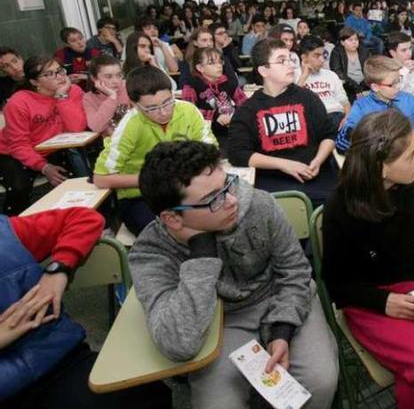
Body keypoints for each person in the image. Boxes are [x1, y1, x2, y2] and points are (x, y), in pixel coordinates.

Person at [130, 141, 338, 409]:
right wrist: (202, 251)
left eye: (228, 184)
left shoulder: (258, 205)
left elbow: (295, 271)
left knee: (320, 382)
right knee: (218, 403)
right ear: (172, 218)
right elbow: (178, 343)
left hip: (281, 297)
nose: (232, 200)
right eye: (213, 199)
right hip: (222, 319)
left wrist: (282, 330)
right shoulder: (151, 252)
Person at [323, 109, 414, 409]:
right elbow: (337, 285)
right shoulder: (340, 207)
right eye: (411, 154)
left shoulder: (413, 185)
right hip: (367, 302)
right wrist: (384, 303)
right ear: (380, 165)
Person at [1, 207, 172, 408]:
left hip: (59, 359)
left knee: (148, 394)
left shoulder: (7, 232)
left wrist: (58, 269)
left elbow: (84, 218)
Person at [93, 65, 216, 235]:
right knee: (164, 233)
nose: (164, 112)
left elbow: (211, 151)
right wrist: (156, 179)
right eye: (151, 108)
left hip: (183, 189)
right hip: (140, 196)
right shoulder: (130, 125)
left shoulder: (188, 111)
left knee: (212, 219)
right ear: (135, 105)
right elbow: (101, 179)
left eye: (168, 102)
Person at [227, 38, 337, 205]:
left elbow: (329, 134)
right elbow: (238, 154)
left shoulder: (307, 97)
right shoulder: (248, 110)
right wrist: (284, 165)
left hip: (316, 176)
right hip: (273, 185)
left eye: (290, 60)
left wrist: (318, 160)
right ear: (264, 70)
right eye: (281, 61)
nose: (291, 65)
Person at [336, 55, 414, 208]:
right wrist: (384, 161)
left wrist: (403, 159)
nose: (399, 86)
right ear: (375, 87)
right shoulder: (361, 106)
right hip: (375, 170)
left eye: (399, 80)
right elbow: (342, 143)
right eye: (393, 83)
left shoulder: (409, 101)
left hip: (409, 163)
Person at [0, 57, 89, 215]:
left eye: (60, 71)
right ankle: (11, 227)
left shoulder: (72, 91)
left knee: (79, 176)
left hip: (52, 147)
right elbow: (18, 145)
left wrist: (62, 97)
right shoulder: (18, 102)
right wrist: (44, 167)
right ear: (35, 82)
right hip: (12, 152)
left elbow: (76, 130)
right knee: (19, 188)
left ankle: (80, 217)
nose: (60, 76)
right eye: (50, 74)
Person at [180, 47, 247, 148]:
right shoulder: (192, 85)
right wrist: (215, 116)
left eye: (220, 62)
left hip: (234, 129)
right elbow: (189, 112)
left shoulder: (228, 82)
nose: (219, 66)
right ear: (200, 68)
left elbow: (244, 103)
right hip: (209, 134)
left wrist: (238, 115)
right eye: (212, 63)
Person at [296, 35, 350, 129]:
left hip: (337, 117)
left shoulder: (331, 75)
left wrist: (348, 119)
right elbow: (292, 103)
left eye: (323, 55)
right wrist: (304, 77)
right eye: (316, 55)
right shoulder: (294, 75)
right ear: (304, 58)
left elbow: (345, 102)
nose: (322, 59)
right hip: (313, 121)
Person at [82, 55, 130, 137]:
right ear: (94, 78)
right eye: (108, 76)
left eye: (119, 75)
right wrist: (112, 98)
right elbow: (96, 127)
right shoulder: (88, 98)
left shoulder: (129, 86)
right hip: (112, 143)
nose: (115, 81)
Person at [329, 26, 370, 103]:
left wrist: (362, 86)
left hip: (365, 85)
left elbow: (371, 69)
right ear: (342, 42)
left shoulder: (364, 51)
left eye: (356, 39)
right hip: (347, 87)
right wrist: (356, 87)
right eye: (350, 40)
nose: (354, 42)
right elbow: (338, 72)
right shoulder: (336, 52)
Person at [388, 7, 414, 72]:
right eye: (402, 15)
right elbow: (393, 37)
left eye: (405, 15)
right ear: (397, 15)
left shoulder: (410, 24)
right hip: (402, 45)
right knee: (411, 49)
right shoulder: (393, 25)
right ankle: (408, 69)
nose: (404, 16)